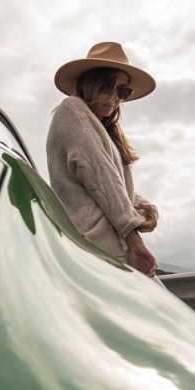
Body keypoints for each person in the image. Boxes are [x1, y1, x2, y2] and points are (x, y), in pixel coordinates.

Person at [46, 41, 160, 278]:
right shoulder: (71, 110)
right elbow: (102, 178)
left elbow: (109, 182)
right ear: (90, 83)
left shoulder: (102, 129)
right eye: (107, 87)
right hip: (97, 250)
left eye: (123, 92)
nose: (116, 98)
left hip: (111, 249)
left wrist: (143, 204)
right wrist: (134, 237)